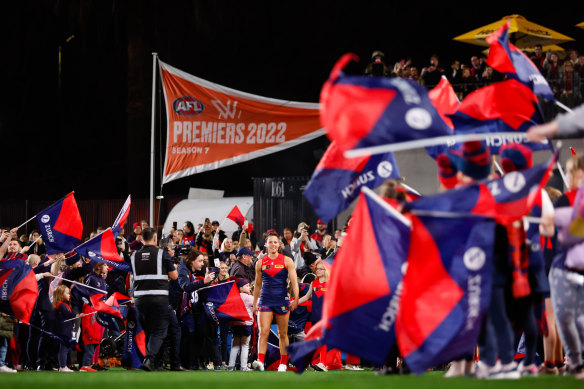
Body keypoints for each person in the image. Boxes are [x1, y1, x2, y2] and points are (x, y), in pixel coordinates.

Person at [129, 227, 178, 371]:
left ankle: (154, 363)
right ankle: (149, 359)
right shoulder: (162, 254)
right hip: (158, 298)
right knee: (159, 331)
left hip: (140, 300)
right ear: (155, 238)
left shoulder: (134, 255)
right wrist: (172, 265)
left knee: (149, 331)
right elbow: (174, 276)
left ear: (142, 238)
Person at [252, 232, 299, 372]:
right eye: (270, 242)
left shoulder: (287, 260)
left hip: (281, 300)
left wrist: (296, 299)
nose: (273, 244)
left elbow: (295, 283)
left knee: (282, 333)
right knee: (264, 332)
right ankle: (260, 362)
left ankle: (283, 363)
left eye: (275, 242)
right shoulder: (260, 262)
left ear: (279, 245)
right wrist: (255, 302)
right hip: (265, 299)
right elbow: (257, 285)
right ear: (265, 244)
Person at [298, 259, 330, 372]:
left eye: (321, 269)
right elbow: (306, 297)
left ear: (325, 270)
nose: (318, 271)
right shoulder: (314, 283)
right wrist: (294, 302)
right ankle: (318, 363)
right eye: (317, 269)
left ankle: (323, 363)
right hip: (315, 316)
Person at [228, 278, 254, 371]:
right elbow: (259, 303)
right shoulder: (247, 297)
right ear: (240, 287)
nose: (249, 287)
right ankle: (243, 367)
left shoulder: (233, 296)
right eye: (246, 286)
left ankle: (231, 366)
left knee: (235, 345)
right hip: (246, 324)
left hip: (235, 324)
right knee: (245, 345)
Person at [53, 285, 78, 372]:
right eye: (67, 293)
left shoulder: (65, 305)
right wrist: (76, 315)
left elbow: (68, 317)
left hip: (67, 330)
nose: (69, 295)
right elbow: (67, 315)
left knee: (65, 349)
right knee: (63, 349)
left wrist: (73, 322)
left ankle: (64, 366)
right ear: (60, 294)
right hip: (63, 331)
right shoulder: (61, 305)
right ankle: (62, 366)